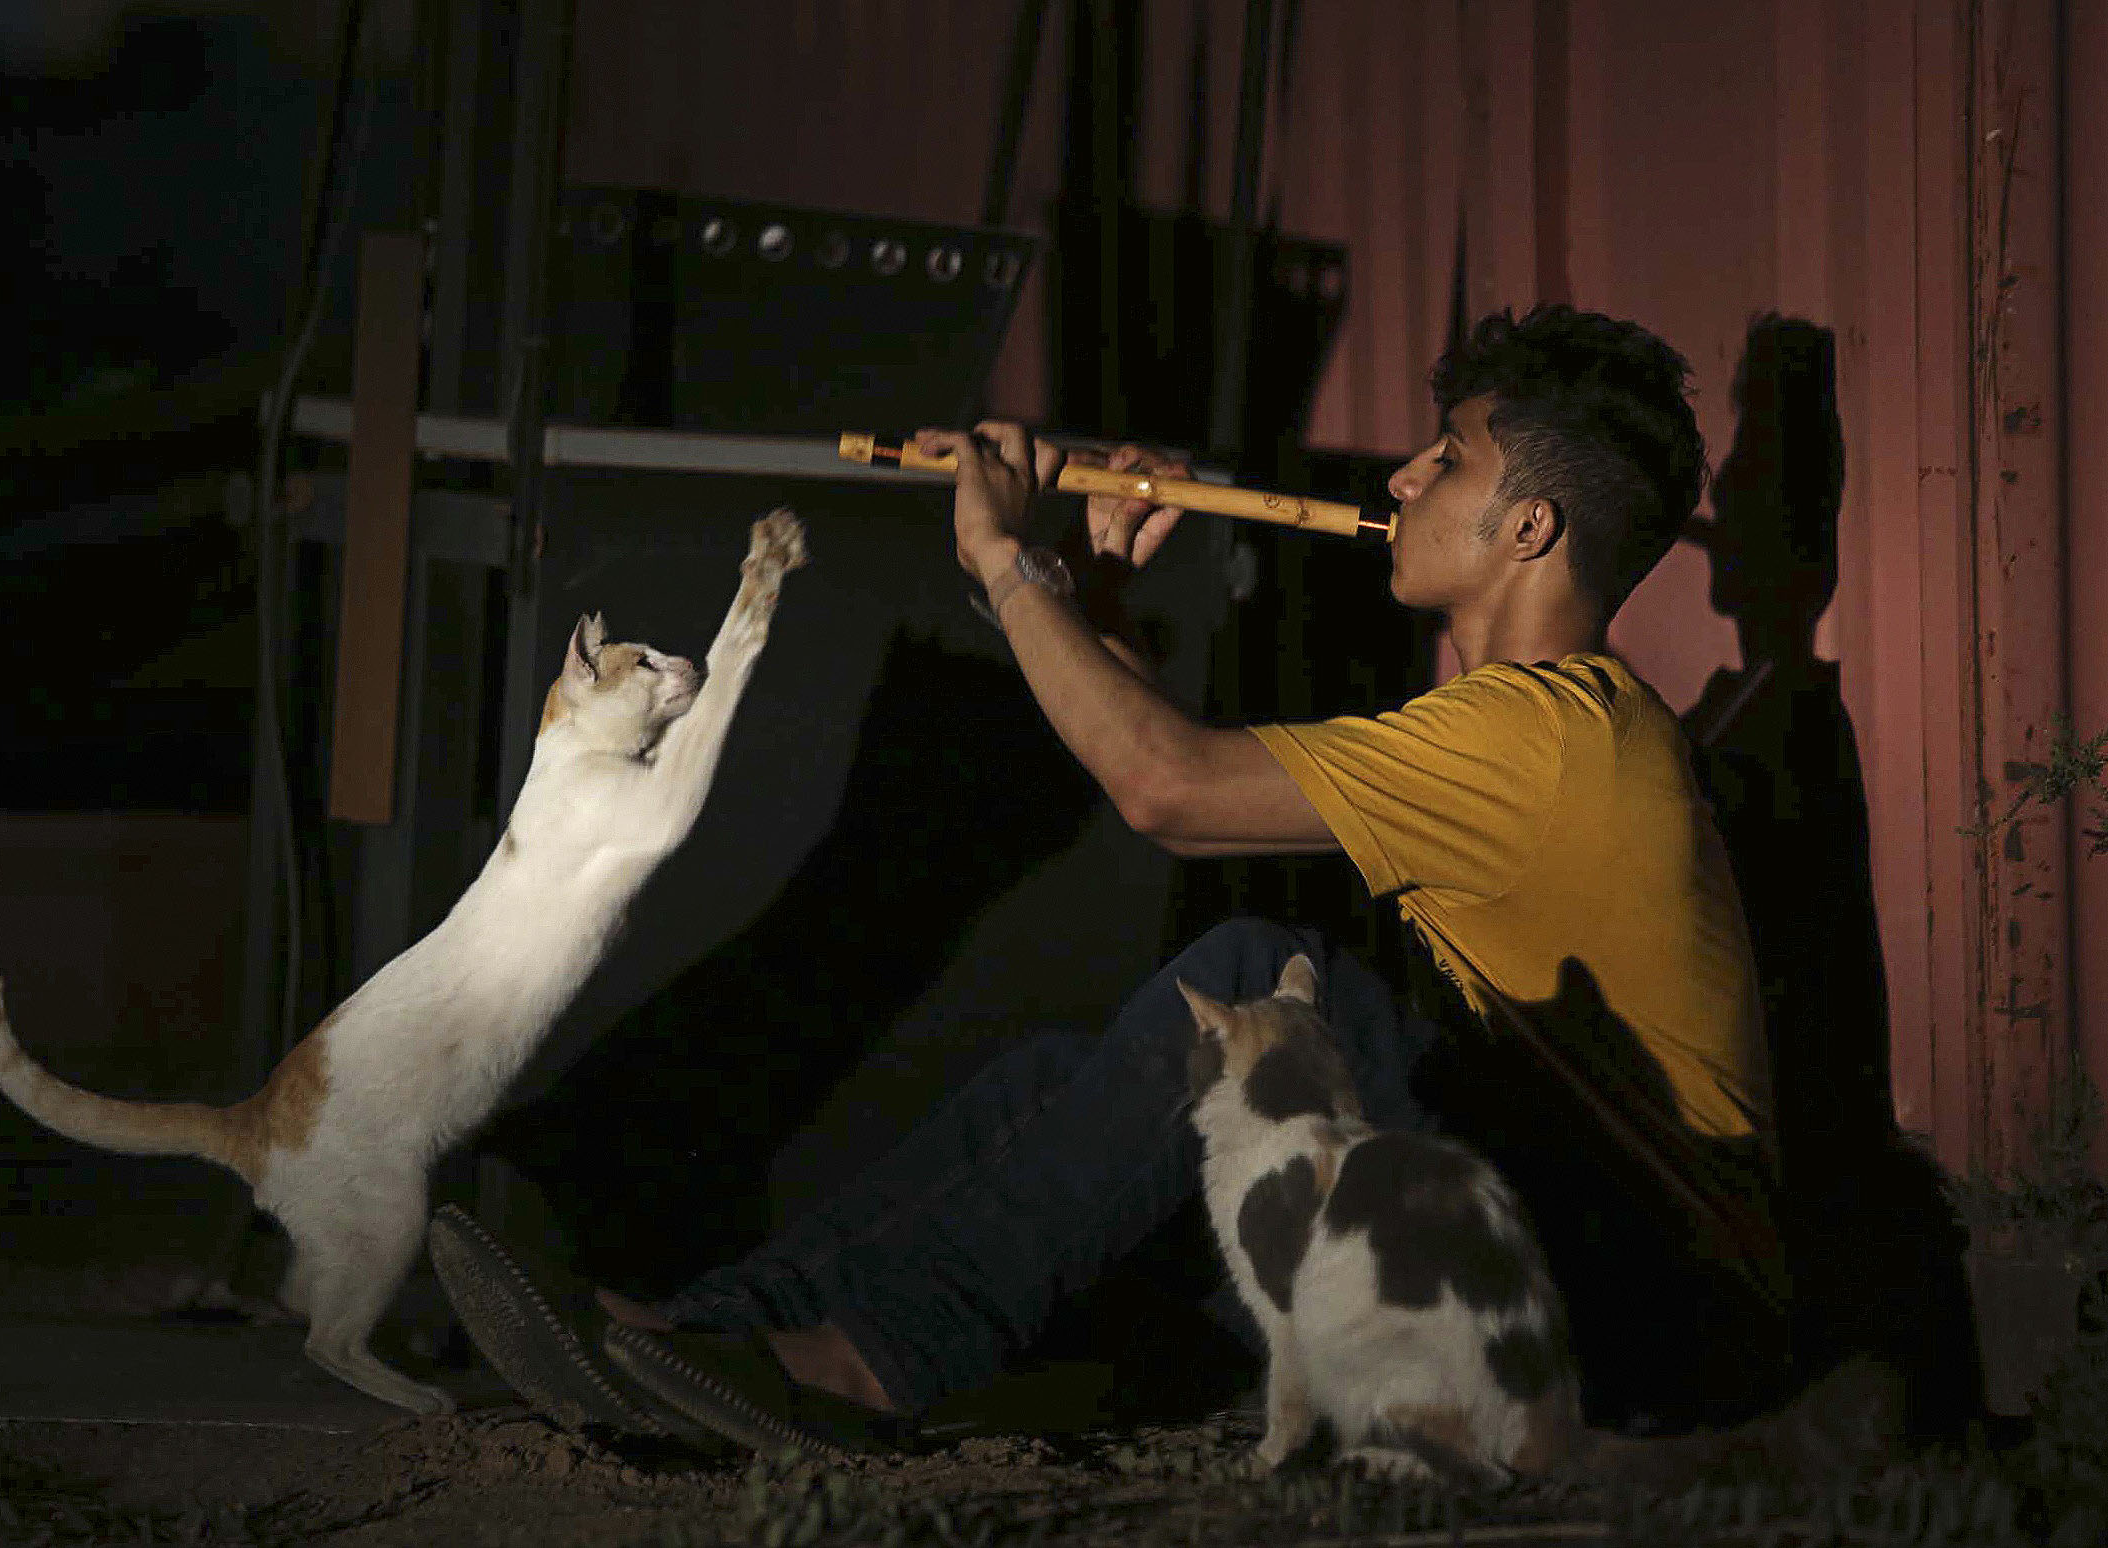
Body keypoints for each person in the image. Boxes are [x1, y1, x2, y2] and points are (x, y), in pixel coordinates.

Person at [427, 303, 1791, 1457]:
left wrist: (1004, 562)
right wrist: (1089, 594)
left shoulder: (1544, 736)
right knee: (1055, 1079)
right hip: (1535, 1267)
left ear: (1528, 528)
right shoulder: (1530, 725)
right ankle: (716, 1337)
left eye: (1444, 464)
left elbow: (1168, 792)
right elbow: (1174, 770)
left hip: (1641, 1319)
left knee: (1254, 982)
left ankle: (858, 1367)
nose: (1395, 484)